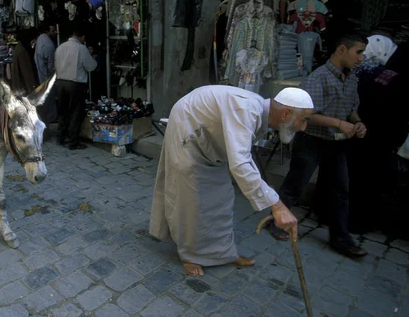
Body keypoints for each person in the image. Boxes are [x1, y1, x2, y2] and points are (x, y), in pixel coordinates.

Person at [150, 86, 313, 276]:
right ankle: (191, 255)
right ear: (286, 113)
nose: (303, 127)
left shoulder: (255, 110)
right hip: (187, 130)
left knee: (222, 197)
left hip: (208, 140)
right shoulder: (247, 110)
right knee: (192, 199)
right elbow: (241, 164)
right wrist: (277, 206)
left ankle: (223, 254)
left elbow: (241, 157)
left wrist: (273, 201)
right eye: (303, 120)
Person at [269, 33, 368, 258]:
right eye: (358, 52)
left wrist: (357, 122)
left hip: (337, 142)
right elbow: (306, 115)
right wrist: (338, 123)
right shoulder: (319, 77)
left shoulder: (351, 77)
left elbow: (351, 107)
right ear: (342, 49)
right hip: (312, 139)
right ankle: (275, 220)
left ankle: (341, 238)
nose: (361, 58)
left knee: (340, 190)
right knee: (295, 184)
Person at [347, 36, 409, 234]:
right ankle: (360, 223)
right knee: (370, 183)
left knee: (356, 178)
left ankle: (348, 219)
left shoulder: (375, 73)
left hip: (363, 133)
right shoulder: (398, 79)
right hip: (380, 139)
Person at [54, 27, 97, 150]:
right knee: (75, 113)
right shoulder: (81, 49)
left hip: (60, 82)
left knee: (63, 111)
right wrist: (92, 56)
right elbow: (91, 66)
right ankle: (73, 141)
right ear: (82, 37)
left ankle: (60, 137)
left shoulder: (60, 47)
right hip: (75, 84)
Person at [34, 23, 58, 126]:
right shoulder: (50, 46)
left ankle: (48, 116)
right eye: (53, 30)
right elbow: (51, 65)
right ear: (47, 31)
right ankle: (51, 117)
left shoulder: (41, 38)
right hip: (46, 75)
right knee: (49, 96)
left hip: (41, 71)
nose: (55, 32)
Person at [5, 29, 39, 94]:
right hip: (23, 90)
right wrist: (33, 90)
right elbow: (27, 73)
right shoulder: (22, 51)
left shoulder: (19, 47)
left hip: (19, 88)